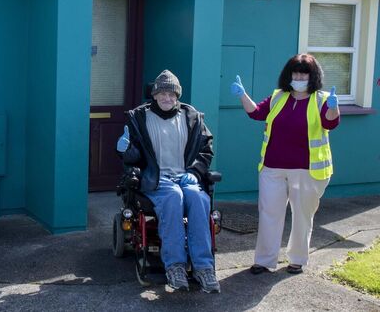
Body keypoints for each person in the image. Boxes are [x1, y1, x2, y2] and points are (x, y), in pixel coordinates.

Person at [231, 53, 339, 275]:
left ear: (313, 76)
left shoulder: (322, 99)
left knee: (302, 217)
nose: (298, 77)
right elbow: (256, 113)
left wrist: (333, 107)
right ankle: (264, 260)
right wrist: (243, 95)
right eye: (295, 73)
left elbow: (330, 123)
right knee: (269, 214)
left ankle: (297, 260)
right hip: (272, 168)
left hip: (307, 170)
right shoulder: (278, 97)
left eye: (303, 74)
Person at [117, 70, 220, 293]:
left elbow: (206, 148)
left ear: (177, 96)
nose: (167, 98)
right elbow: (133, 157)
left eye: (172, 94)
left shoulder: (192, 117)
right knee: (174, 197)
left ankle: (204, 267)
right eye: (162, 93)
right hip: (157, 178)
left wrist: (196, 170)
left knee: (198, 198)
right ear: (154, 95)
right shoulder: (140, 117)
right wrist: (126, 149)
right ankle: (175, 266)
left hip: (185, 175)